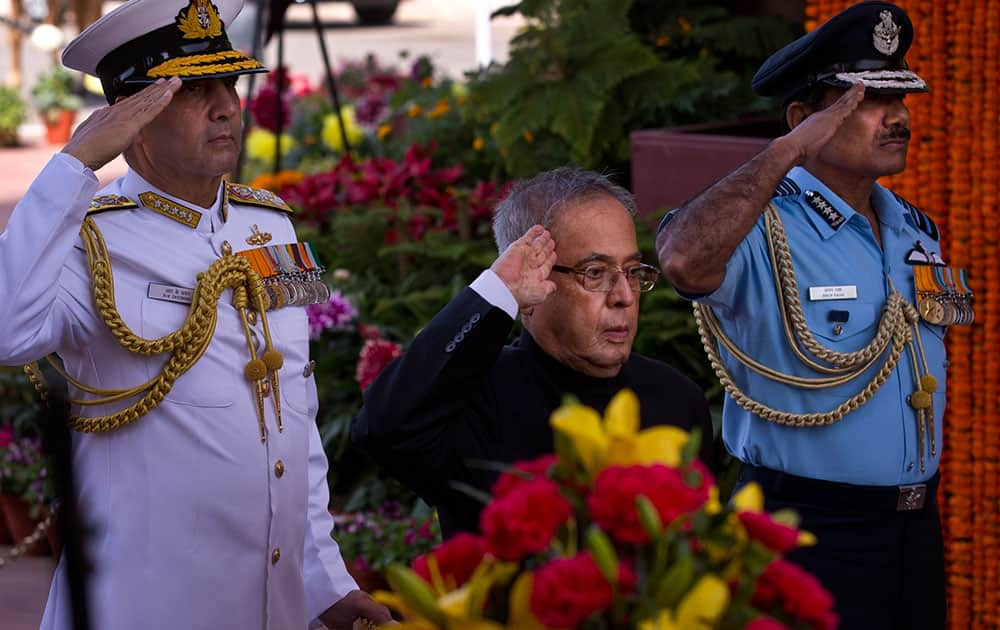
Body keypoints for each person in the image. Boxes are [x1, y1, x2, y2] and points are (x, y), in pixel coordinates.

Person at [0, 1, 391, 628]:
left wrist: (325, 584)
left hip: (273, 605)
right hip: (144, 604)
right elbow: (6, 330)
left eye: (229, 83)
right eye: (194, 90)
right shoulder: (84, 241)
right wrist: (73, 166)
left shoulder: (270, 225)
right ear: (135, 117)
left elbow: (295, 414)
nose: (228, 107)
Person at [656, 2, 956, 628]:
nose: (897, 117)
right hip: (802, 530)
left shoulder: (913, 230)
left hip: (912, 528)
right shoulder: (758, 230)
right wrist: (787, 152)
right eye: (866, 102)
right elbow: (681, 259)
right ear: (803, 119)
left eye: (899, 99)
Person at [351, 167, 715, 537]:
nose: (623, 296)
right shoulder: (475, 401)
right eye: (594, 272)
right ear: (530, 288)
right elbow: (381, 429)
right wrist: (496, 292)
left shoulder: (676, 399)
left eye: (632, 271)